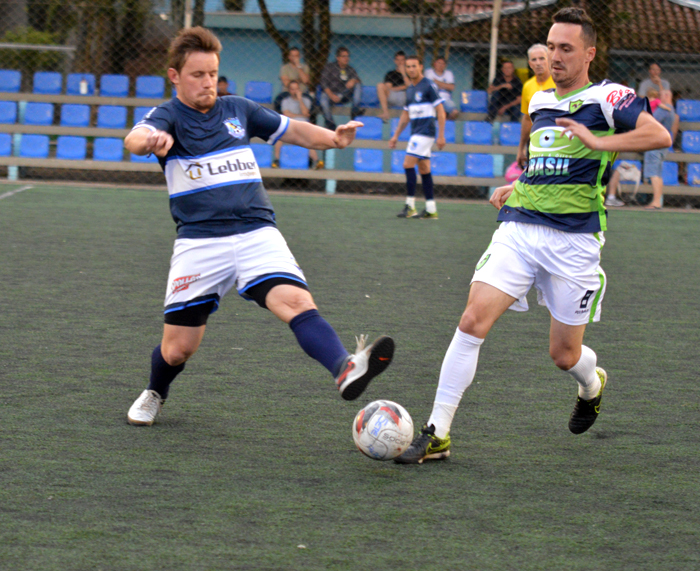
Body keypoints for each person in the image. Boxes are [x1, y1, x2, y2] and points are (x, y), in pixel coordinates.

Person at [395, 7, 671, 464]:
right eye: (551, 47)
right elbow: (542, 161)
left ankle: (592, 383)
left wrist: (600, 142)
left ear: (589, 53)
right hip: (519, 228)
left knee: (564, 355)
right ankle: (437, 432)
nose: (555, 56)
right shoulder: (540, 100)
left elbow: (657, 134)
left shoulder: (608, 97)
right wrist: (517, 185)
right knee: (471, 322)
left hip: (574, 240)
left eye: (566, 48)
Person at [124, 27, 394, 426]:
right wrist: (149, 140)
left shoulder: (238, 109)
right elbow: (135, 136)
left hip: (256, 231)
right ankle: (155, 392)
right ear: (174, 76)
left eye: (212, 73)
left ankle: (345, 368)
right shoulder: (167, 116)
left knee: (297, 302)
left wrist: (334, 139)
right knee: (178, 349)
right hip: (200, 242)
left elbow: (293, 128)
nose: (207, 82)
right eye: (197, 74)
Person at [388, 55, 446, 220]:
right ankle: (430, 209)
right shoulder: (410, 89)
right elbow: (405, 115)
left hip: (425, 133)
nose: (411, 69)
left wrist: (441, 135)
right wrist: (395, 136)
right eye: (408, 66)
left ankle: (410, 206)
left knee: (407, 164)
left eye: (414, 66)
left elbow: (441, 111)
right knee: (424, 169)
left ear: (421, 67)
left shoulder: (428, 85)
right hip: (416, 133)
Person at [517, 44, 556, 168]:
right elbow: (527, 118)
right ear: (529, 63)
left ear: (549, 59)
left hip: (557, 141)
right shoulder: (528, 86)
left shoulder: (559, 82)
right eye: (534, 60)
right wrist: (521, 148)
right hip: (535, 142)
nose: (538, 63)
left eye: (542, 58)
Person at [273, 80, 323, 170]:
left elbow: (305, 112)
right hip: (290, 125)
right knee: (279, 138)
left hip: (303, 126)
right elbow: (286, 114)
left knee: (309, 140)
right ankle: (276, 160)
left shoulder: (306, 100)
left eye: (297, 89)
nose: (295, 91)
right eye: (292, 89)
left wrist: (300, 99)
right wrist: (300, 115)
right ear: (289, 90)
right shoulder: (285, 101)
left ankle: (316, 161)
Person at [645, 88, 679, 210]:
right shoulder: (671, 109)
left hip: (655, 144)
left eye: (660, 95)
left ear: (665, 96)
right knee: (658, 174)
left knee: (653, 173)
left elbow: (650, 120)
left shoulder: (663, 109)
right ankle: (657, 201)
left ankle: (656, 201)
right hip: (663, 145)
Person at [320, 46, 363, 131]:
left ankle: (354, 112)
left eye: (347, 56)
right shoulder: (330, 67)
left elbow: (358, 80)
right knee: (323, 98)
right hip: (331, 95)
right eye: (343, 56)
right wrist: (331, 95)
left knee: (358, 85)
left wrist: (353, 80)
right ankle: (331, 124)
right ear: (337, 58)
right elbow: (323, 83)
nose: (346, 58)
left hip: (344, 95)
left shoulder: (350, 69)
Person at [424, 56, 460, 120]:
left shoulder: (448, 73)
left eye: (442, 64)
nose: (440, 65)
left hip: (445, 99)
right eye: (439, 63)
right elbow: (427, 86)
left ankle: (446, 123)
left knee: (455, 112)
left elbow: (451, 87)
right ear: (435, 64)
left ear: (445, 65)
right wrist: (445, 85)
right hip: (432, 98)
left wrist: (437, 82)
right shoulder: (429, 72)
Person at [377, 51, 408, 122]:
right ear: (395, 61)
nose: (400, 62)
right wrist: (403, 87)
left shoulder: (409, 73)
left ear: (405, 61)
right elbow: (388, 87)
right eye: (398, 60)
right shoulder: (390, 73)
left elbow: (410, 86)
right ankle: (385, 113)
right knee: (380, 85)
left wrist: (403, 73)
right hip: (392, 96)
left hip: (405, 97)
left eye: (402, 60)